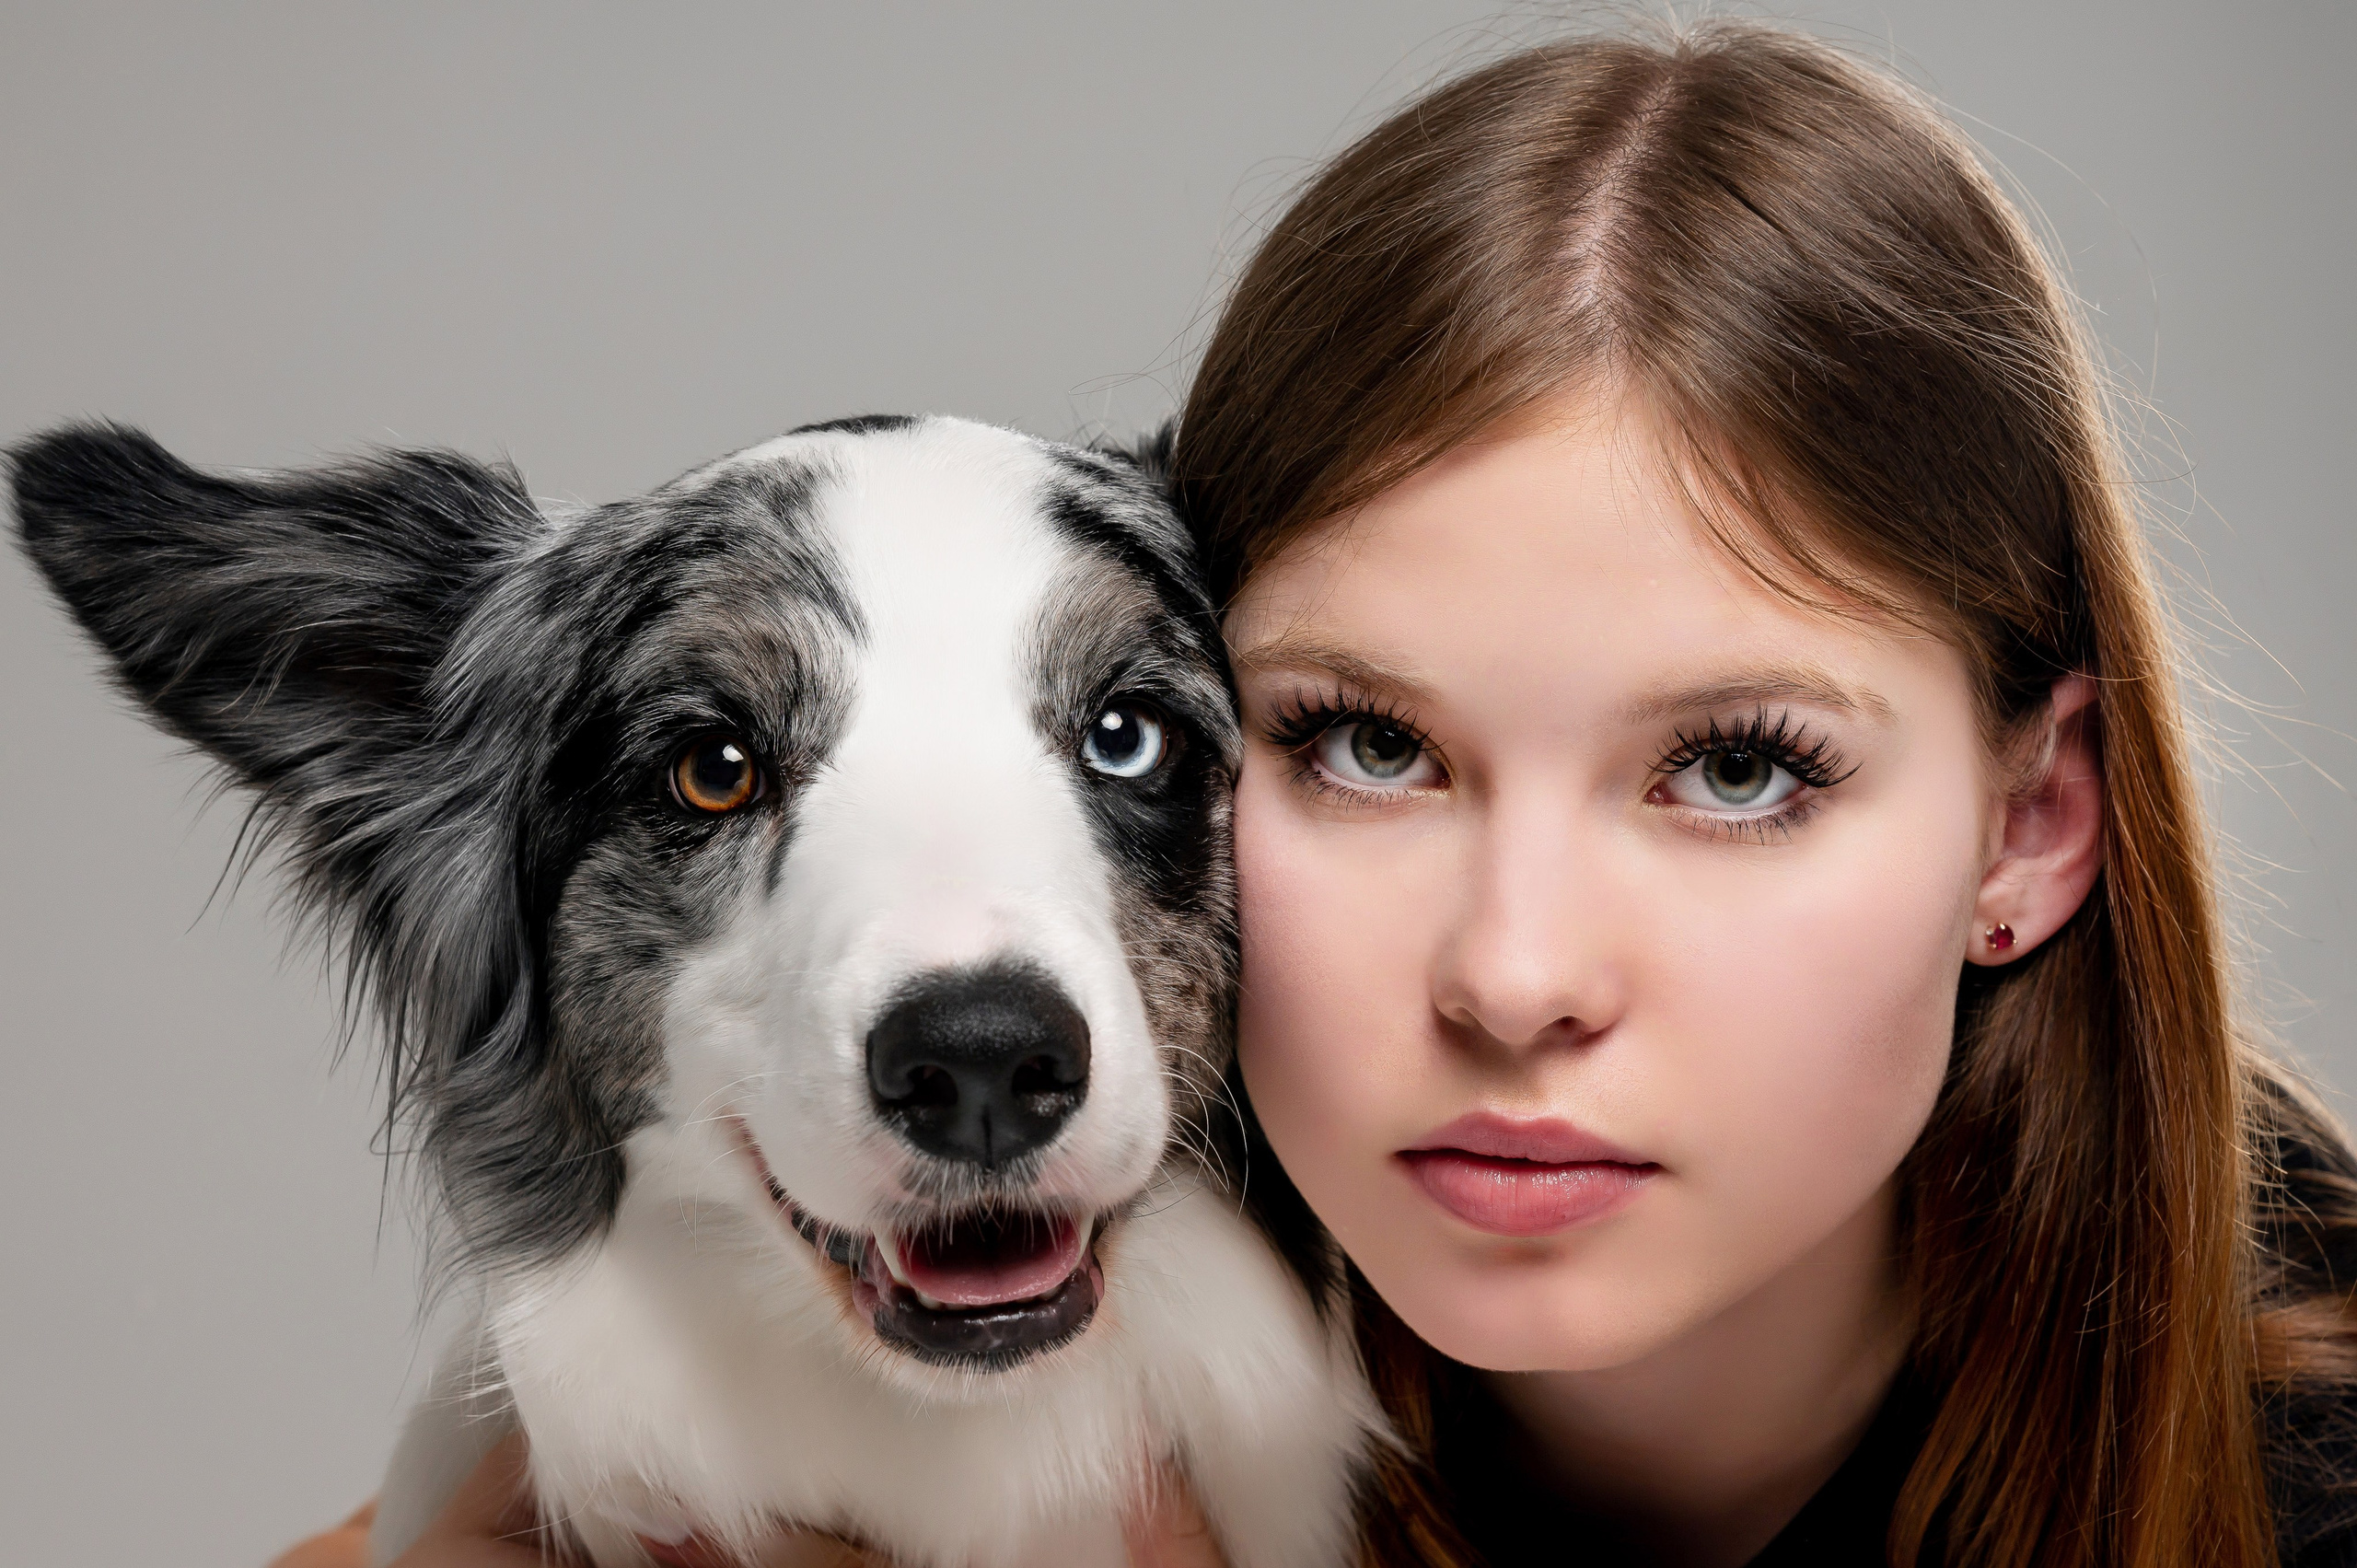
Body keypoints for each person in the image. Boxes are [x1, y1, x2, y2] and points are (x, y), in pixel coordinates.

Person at [275, 19, 2357, 1568]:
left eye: (1733, 768)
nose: (1514, 975)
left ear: (2025, 828)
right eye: (1362, 745)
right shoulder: (1034, 1279)